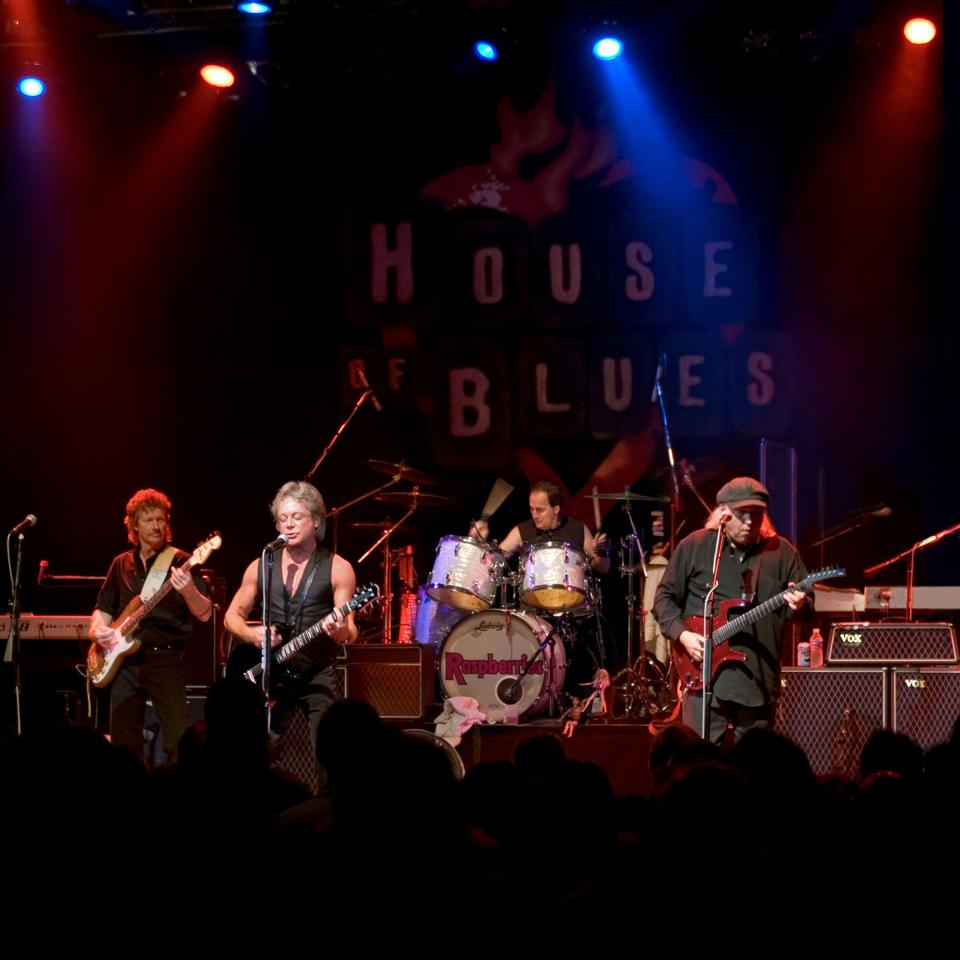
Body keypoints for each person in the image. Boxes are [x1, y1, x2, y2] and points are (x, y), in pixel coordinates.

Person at [653, 477, 809, 743]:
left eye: (757, 515)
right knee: (699, 763)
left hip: (758, 680)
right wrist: (683, 635)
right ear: (723, 513)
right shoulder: (696, 546)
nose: (750, 521)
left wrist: (801, 604)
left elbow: (804, 609)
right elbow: (664, 598)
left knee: (753, 769)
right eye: (742, 514)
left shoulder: (782, 552)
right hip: (703, 676)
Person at [224, 480, 358, 752]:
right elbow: (231, 616)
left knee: (328, 749)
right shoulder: (261, 565)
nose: (289, 524)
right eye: (283, 519)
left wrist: (339, 629)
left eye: (297, 517)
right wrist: (251, 634)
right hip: (270, 672)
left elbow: (350, 632)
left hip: (316, 672)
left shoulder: (338, 568)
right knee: (258, 752)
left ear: (317, 521)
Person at [89, 488, 212, 764]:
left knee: (178, 740)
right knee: (122, 743)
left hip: (165, 659)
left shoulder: (181, 561)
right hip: (124, 664)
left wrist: (189, 590)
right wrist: (98, 631)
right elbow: (103, 609)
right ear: (134, 525)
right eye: (149, 521)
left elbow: (204, 614)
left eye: (161, 520)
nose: (157, 526)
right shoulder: (120, 563)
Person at [472, 480, 610, 574]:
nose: (534, 514)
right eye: (531, 509)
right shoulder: (522, 530)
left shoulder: (578, 529)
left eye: (540, 509)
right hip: (533, 609)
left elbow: (603, 568)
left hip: (572, 608)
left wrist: (602, 552)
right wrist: (478, 542)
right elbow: (494, 563)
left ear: (556, 509)